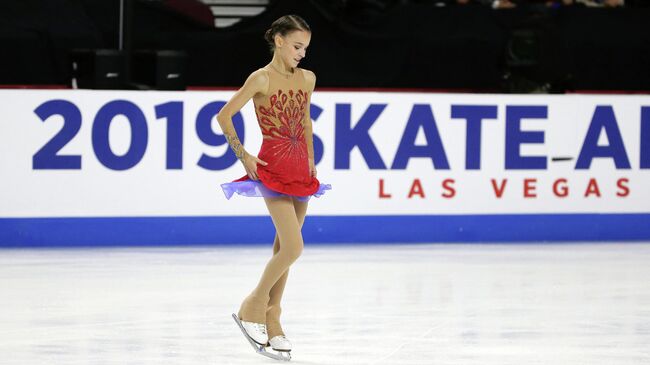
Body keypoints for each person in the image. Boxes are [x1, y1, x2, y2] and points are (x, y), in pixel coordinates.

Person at [216, 14, 331, 358]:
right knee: (294, 247)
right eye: (297, 46)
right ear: (279, 41)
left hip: (301, 170)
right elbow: (224, 115)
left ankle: (273, 316)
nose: (302, 54)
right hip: (273, 168)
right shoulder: (261, 78)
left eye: (306, 48)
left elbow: (305, 120)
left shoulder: (307, 78)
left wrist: (311, 159)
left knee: (283, 248)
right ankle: (253, 304)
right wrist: (245, 157)